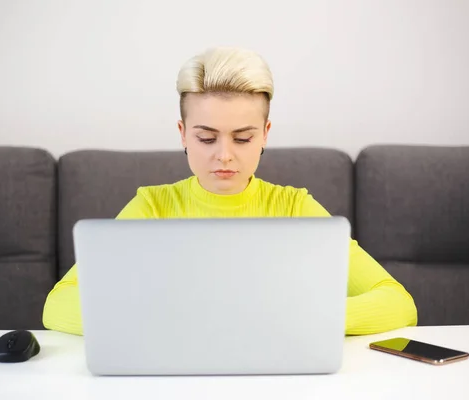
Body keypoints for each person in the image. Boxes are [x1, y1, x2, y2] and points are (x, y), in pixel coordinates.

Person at [42, 47, 418, 336]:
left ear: (266, 134)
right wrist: (168, 318)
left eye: (243, 138)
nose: (224, 155)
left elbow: (399, 303)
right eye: (206, 137)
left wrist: (302, 318)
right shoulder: (152, 207)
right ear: (183, 134)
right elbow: (58, 304)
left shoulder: (293, 207)